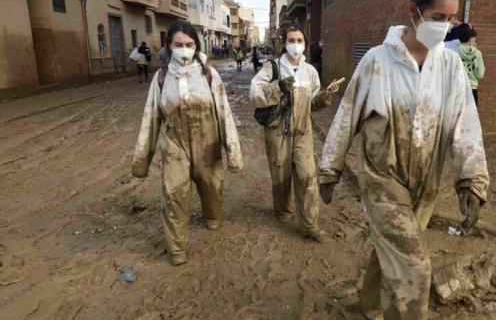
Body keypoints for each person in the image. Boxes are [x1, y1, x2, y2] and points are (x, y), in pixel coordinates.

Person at [318, 0, 490, 320]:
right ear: (414, 13)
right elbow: (348, 114)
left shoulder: (449, 69)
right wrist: (331, 166)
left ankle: (367, 302)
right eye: (437, 18)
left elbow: (466, 125)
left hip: (425, 183)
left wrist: (471, 180)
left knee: (393, 248)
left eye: (451, 19)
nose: (445, 26)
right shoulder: (377, 62)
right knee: (414, 267)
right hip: (381, 180)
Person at [132, 20, 244, 266]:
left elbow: (224, 113)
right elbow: (151, 118)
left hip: (208, 142)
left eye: (189, 44)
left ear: (197, 45)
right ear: (169, 46)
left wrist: (233, 152)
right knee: (174, 194)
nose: (184, 48)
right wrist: (141, 162)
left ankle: (212, 216)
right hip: (175, 144)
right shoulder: (161, 77)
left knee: (211, 186)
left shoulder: (208, 74)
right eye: (179, 44)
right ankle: (177, 248)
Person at [250, 23, 342, 242]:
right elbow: (255, 94)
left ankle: (310, 225)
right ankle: (283, 210)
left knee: (307, 177)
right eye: (291, 40)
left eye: (299, 41)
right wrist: (278, 87)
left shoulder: (310, 71)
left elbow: (313, 103)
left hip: (303, 133)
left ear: (305, 44)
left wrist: (327, 95)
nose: (295, 45)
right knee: (281, 176)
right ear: (284, 42)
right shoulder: (271, 68)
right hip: (277, 133)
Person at [457, 27, 485, 107]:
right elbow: (480, 74)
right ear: (470, 39)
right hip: (472, 88)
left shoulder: (454, 52)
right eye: (474, 37)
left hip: (458, 88)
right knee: (471, 118)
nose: (475, 39)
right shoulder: (477, 53)